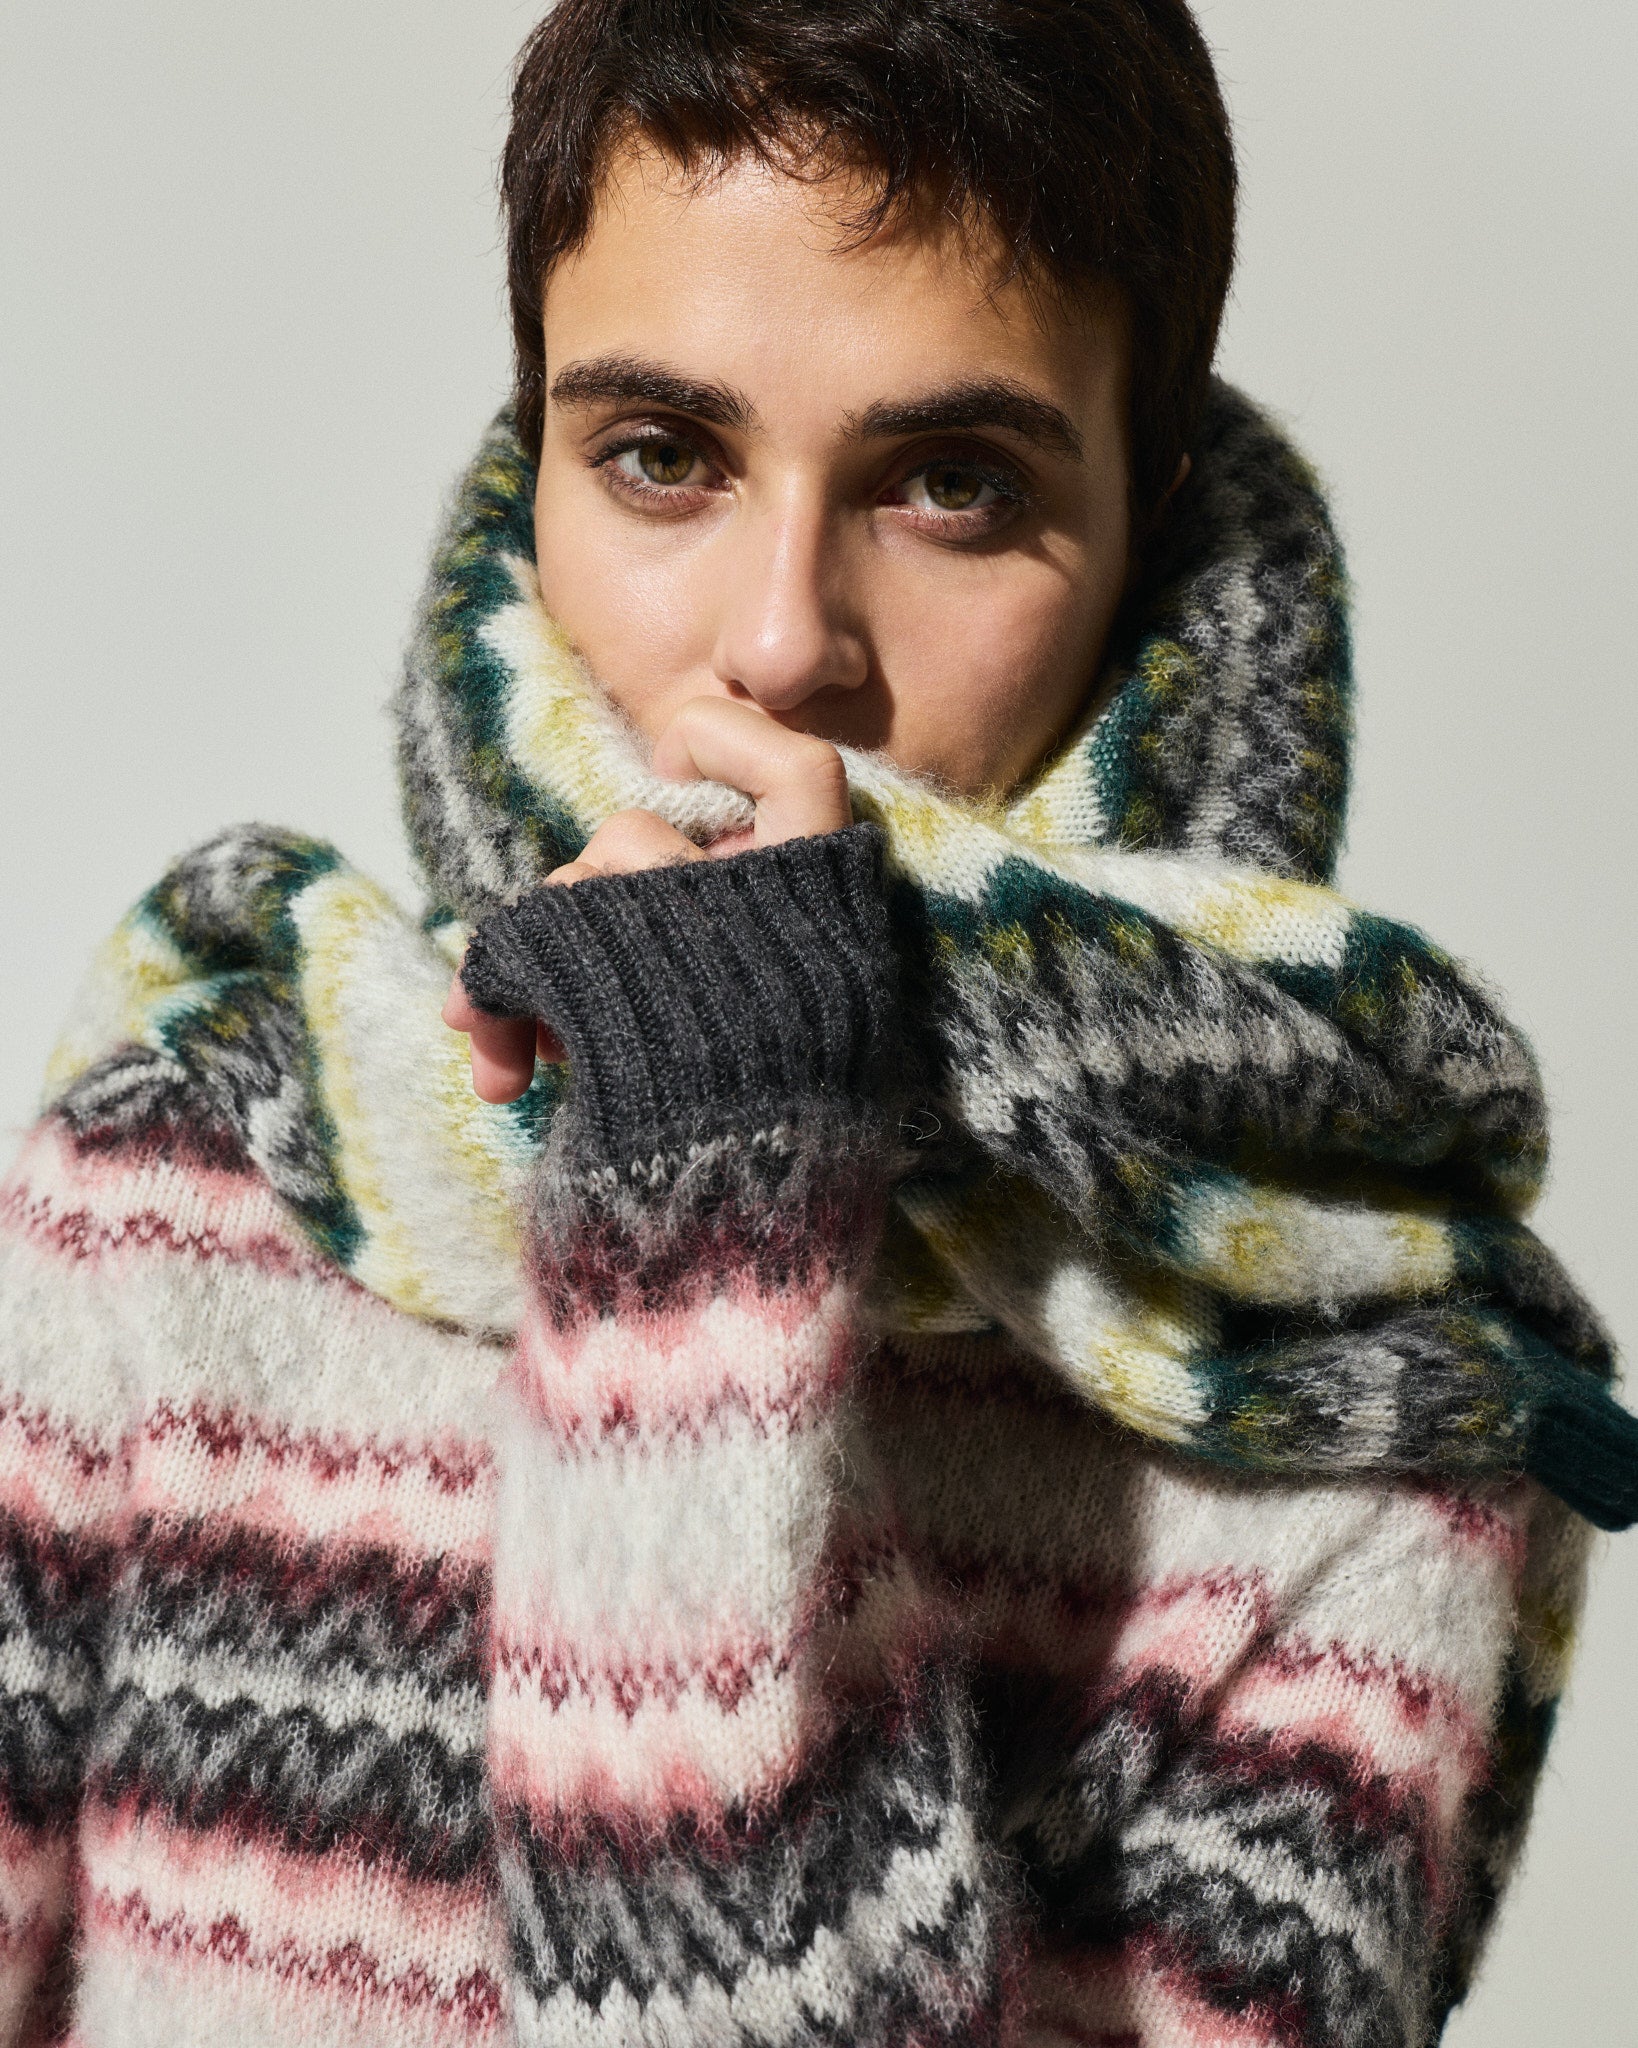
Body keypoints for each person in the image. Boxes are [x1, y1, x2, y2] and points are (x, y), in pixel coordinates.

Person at [1, 2, 1632, 2043]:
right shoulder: (182, 1192)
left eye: (950, 484)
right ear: (534, 472)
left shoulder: (1363, 1415)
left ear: (1143, 526)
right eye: (662, 457)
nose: (781, 643)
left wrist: (708, 1208)